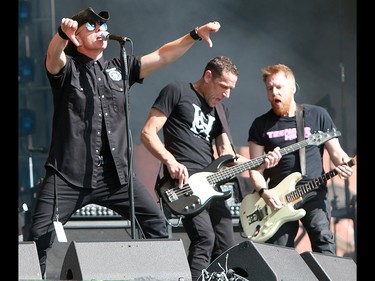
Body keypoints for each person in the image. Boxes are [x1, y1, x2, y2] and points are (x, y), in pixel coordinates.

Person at [27, 6, 222, 278]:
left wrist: (195, 35)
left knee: (155, 223)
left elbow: (163, 55)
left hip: (116, 177)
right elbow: (52, 56)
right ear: (77, 39)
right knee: (38, 235)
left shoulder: (120, 67)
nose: (101, 30)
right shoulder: (67, 69)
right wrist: (62, 33)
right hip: (67, 176)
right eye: (92, 27)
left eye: (103, 26)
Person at [140, 56, 281, 280]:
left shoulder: (221, 111)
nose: (227, 94)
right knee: (205, 237)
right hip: (184, 183)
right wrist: (170, 161)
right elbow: (148, 132)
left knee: (226, 246)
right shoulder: (177, 91)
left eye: (231, 89)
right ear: (208, 76)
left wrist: (261, 162)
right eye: (223, 87)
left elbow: (227, 155)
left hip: (212, 184)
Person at [247, 63, 353, 255]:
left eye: (279, 87)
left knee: (323, 241)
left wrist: (345, 164)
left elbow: (337, 154)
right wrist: (265, 193)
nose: (274, 92)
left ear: (293, 87)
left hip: (313, 192)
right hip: (278, 199)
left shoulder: (317, 115)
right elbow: (255, 170)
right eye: (270, 88)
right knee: (279, 253)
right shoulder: (260, 125)